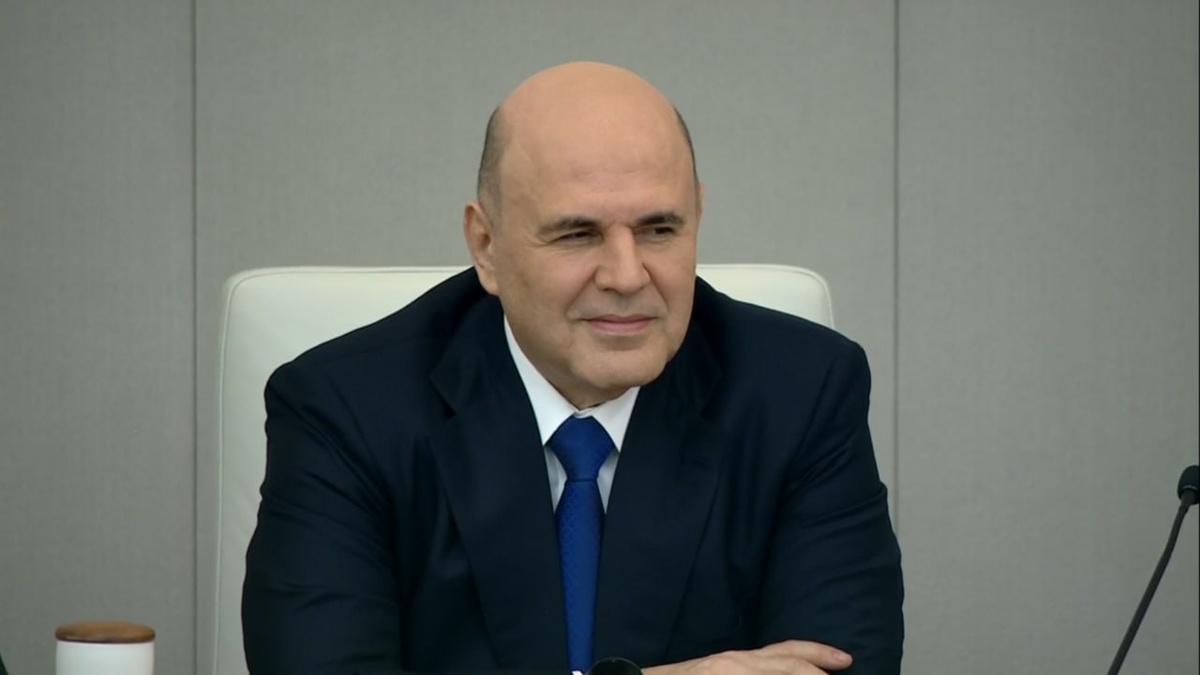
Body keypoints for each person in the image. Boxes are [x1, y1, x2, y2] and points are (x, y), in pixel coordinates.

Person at [242, 61, 903, 675]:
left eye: (660, 230)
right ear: (486, 246)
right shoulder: (345, 411)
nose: (627, 275)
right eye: (578, 234)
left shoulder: (802, 393)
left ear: (698, 217)